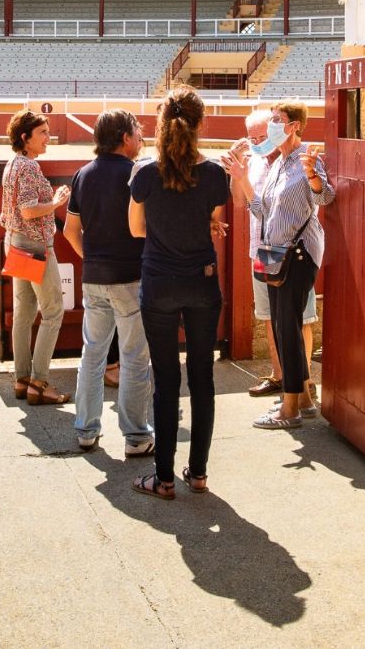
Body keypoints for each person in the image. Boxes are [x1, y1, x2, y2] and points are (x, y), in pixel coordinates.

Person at [128, 87, 229, 499]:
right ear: (201, 124)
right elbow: (211, 222)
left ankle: (164, 477)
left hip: (159, 283)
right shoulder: (216, 174)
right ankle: (199, 473)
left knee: (166, 380)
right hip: (201, 282)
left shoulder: (145, 173)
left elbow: (136, 229)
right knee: (202, 378)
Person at [224, 100, 334, 428]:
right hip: (275, 252)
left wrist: (314, 173)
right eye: (272, 118)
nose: (273, 124)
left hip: (298, 253)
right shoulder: (277, 165)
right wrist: (241, 177)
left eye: (278, 119)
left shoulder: (304, 161)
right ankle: (301, 399)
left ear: (294, 125)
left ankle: (290, 410)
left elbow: (325, 197)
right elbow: (261, 210)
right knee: (280, 325)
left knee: (288, 328)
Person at [63, 110, 154, 456]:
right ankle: (135, 436)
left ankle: (86, 429)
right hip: (130, 276)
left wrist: (93, 259)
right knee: (133, 357)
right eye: (137, 133)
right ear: (124, 138)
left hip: (95, 278)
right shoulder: (137, 172)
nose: (141, 138)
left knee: (93, 354)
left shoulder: (83, 174)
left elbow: (71, 231)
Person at [1, 109, 71, 405]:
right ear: (24, 138)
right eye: (42, 132)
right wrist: (55, 202)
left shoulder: (13, 164)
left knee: (25, 311)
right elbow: (29, 210)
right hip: (35, 245)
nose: (48, 137)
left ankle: (22, 380)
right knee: (52, 312)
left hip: (16, 242)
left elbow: (14, 212)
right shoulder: (28, 167)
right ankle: (39, 383)